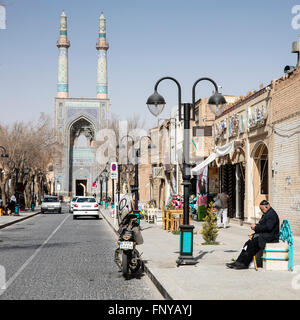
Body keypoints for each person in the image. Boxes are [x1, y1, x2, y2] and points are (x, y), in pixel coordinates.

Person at [226, 200, 279, 270]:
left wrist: (256, 227)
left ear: (267, 207)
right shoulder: (267, 213)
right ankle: (238, 261)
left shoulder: (272, 214)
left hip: (270, 237)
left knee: (251, 245)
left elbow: (268, 227)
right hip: (264, 235)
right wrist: (256, 226)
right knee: (247, 244)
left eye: (262, 209)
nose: (261, 211)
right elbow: (264, 225)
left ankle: (244, 263)